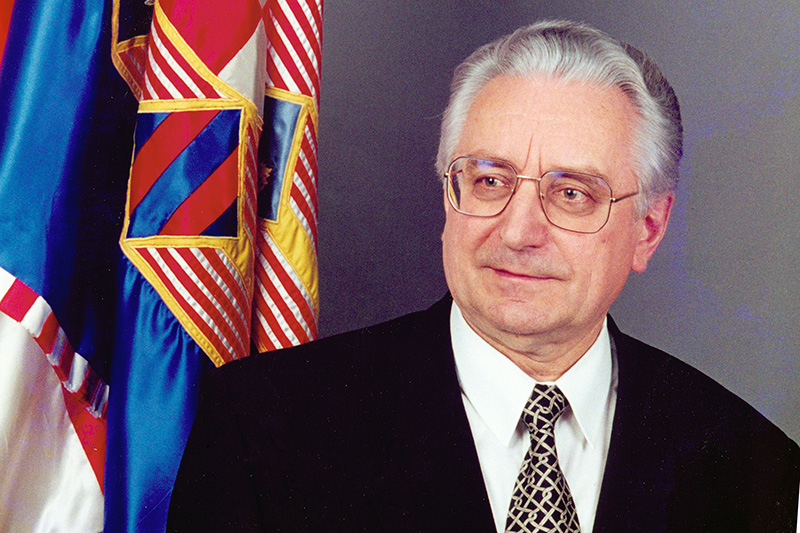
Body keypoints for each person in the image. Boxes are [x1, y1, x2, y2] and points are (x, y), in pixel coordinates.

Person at [167, 20, 799, 532]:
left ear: (649, 229)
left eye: (572, 194)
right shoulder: (265, 428)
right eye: (490, 180)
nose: (518, 232)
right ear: (450, 193)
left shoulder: (755, 468)